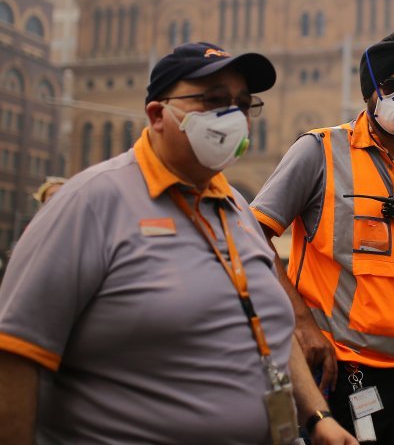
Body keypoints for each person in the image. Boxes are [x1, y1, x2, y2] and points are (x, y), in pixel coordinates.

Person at [0, 42, 355, 445]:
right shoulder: (89, 203)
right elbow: (15, 354)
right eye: (214, 100)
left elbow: (269, 328)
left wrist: (317, 417)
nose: (234, 116)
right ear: (158, 115)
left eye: (242, 103)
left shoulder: (237, 207)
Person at [250, 30, 394, 443]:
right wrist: (302, 325)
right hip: (339, 370)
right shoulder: (319, 152)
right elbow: (252, 236)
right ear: (370, 91)